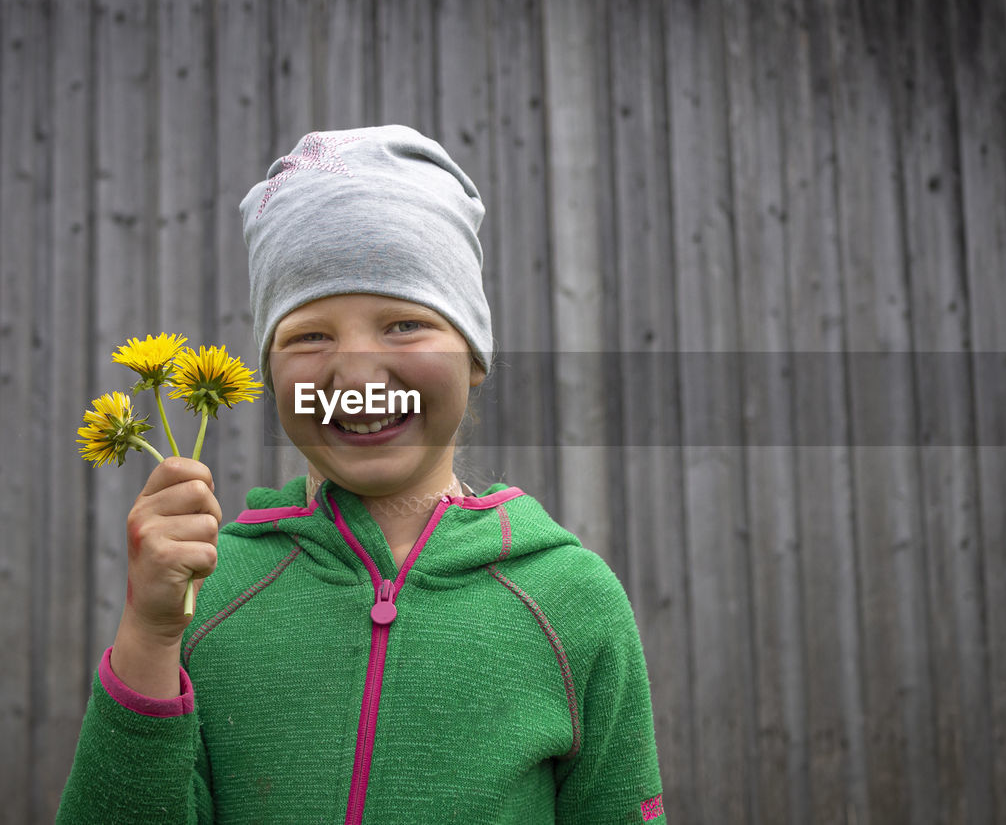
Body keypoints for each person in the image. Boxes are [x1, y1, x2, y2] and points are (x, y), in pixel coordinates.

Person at [57, 125, 664, 824]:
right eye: (309, 335)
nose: (356, 375)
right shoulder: (209, 592)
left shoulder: (572, 602)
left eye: (404, 324)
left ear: (473, 355)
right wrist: (149, 634)